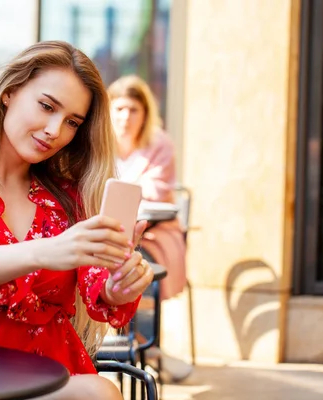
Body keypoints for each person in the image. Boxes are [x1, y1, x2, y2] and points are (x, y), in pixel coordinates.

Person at [0, 41, 153, 400]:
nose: (55, 130)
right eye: (47, 106)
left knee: (99, 392)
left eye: (72, 122)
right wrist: (46, 251)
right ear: (9, 92)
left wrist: (119, 285)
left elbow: (98, 283)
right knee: (100, 394)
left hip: (57, 374)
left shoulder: (68, 198)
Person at [107, 75, 191, 382]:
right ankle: (133, 347)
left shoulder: (159, 144)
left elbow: (156, 191)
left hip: (155, 233)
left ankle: (140, 344)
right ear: (109, 110)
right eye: (119, 109)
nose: (125, 117)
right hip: (111, 231)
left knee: (133, 259)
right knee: (103, 255)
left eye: (133, 110)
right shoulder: (100, 142)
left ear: (145, 114)